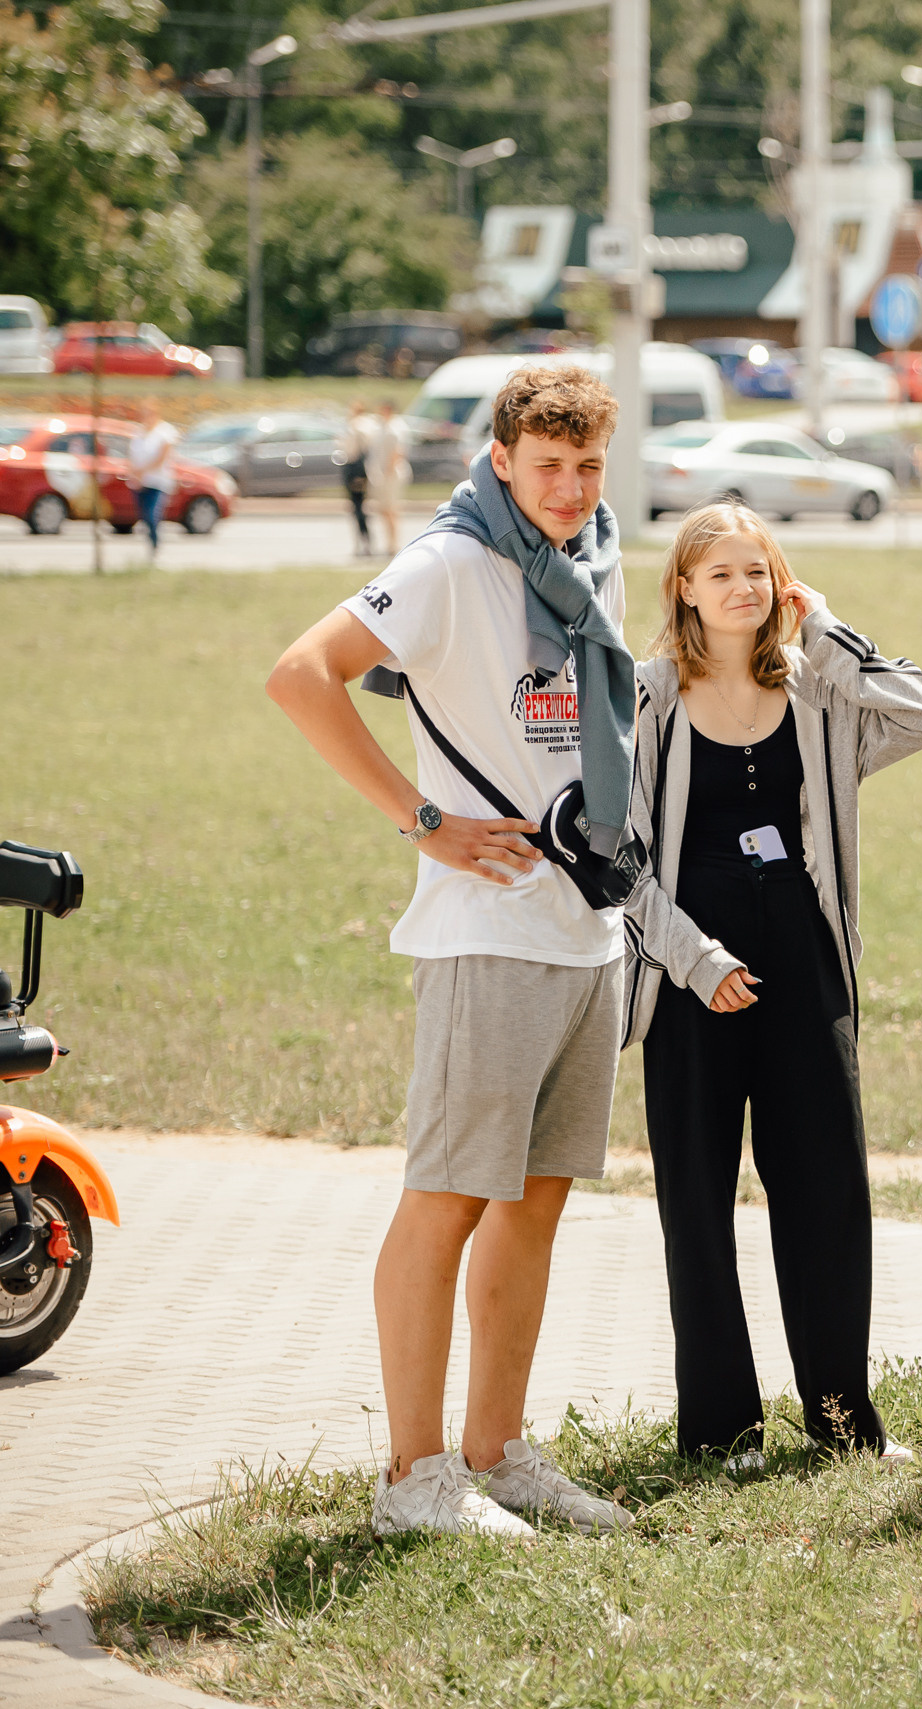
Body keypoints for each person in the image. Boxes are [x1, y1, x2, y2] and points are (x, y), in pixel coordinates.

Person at [265, 363, 640, 1539]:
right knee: (447, 1201)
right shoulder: (447, 560)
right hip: (486, 937)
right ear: (502, 457)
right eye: (548, 466)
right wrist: (421, 820)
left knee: (534, 1202)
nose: (570, 488)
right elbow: (299, 675)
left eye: (587, 465)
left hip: (586, 931)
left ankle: (498, 1448)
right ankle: (413, 1477)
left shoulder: (593, 557)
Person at [625, 499, 922, 1468]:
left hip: (806, 962)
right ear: (683, 586)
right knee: (697, 1197)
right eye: (720, 573)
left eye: (758, 572)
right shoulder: (644, 699)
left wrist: (829, 626)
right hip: (694, 974)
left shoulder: (817, 690)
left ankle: (844, 1421)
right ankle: (722, 1428)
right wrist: (695, 959)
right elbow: (617, 855)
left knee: (826, 1191)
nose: (742, 589)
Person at [129, 403, 178, 562]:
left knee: (151, 515)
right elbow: (131, 455)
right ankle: (150, 544)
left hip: (157, 482)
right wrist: (133, 473)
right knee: (144, 517)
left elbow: (162, 457)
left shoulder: (164, 432)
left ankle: (155, 545)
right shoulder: (138, 433)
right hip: (139, 481)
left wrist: (142, 470)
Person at [368, 399, 412, 555]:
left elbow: (398, 452)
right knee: (384, 509)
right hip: (381, 473)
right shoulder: (381, 426)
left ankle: (394, 543)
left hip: (392, 474)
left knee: (392, 509)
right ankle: (389, 542)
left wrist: (387, 472)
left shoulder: (396, 427)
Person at [340, 406, 376, 558]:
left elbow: (356, 451)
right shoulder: (366, 426)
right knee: (357, 508)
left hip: (355, 470)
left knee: (358, 508)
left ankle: (365, 541)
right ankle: (364, 541)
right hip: (356, 468)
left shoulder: (358, 427)